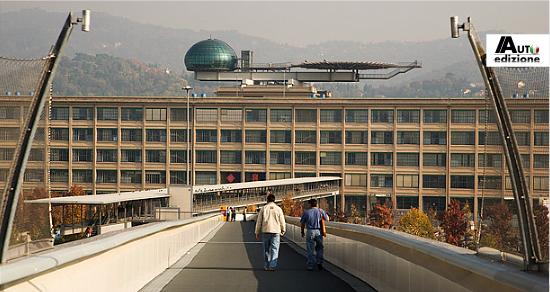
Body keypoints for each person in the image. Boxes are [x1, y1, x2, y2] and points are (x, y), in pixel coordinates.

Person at [255, 193, 286, 271]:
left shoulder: (264, 208)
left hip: (266, 231)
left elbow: (259, 221)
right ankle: (272, 266)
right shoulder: (278, 209)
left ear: (267, 200)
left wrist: (257, 232)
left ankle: (266, 265)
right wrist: (283, 230)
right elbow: (282, 221)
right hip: (276, 232)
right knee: (275, 249)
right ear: (274, 200)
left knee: (266, 249)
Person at [300, 198, 329, 271]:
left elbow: (302, 223)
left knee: (310, 249)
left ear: (310, 204)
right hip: (319, 231)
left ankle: (310, 265)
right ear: (316, 204)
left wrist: (302, 231)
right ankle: (319, 262)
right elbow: (327, 219)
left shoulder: (306, 212)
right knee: (320, 248)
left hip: (310, 231)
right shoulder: (320, 211)